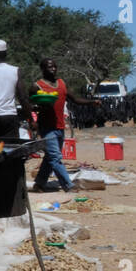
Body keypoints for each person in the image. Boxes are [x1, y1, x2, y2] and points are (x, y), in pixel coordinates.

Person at [30, 58, 99, 192]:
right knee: (56, 157)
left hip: (60, 126)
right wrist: (35, 115)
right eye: (49, 67)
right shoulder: (36, 86)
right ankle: (68, 185)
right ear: (43, 69)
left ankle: (39, 183)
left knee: (50, 157)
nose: (53, 69)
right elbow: (30, 105)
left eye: (54, 66)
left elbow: (75, 99)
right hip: (46, 127)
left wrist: (92, 102)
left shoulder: (61, 83)